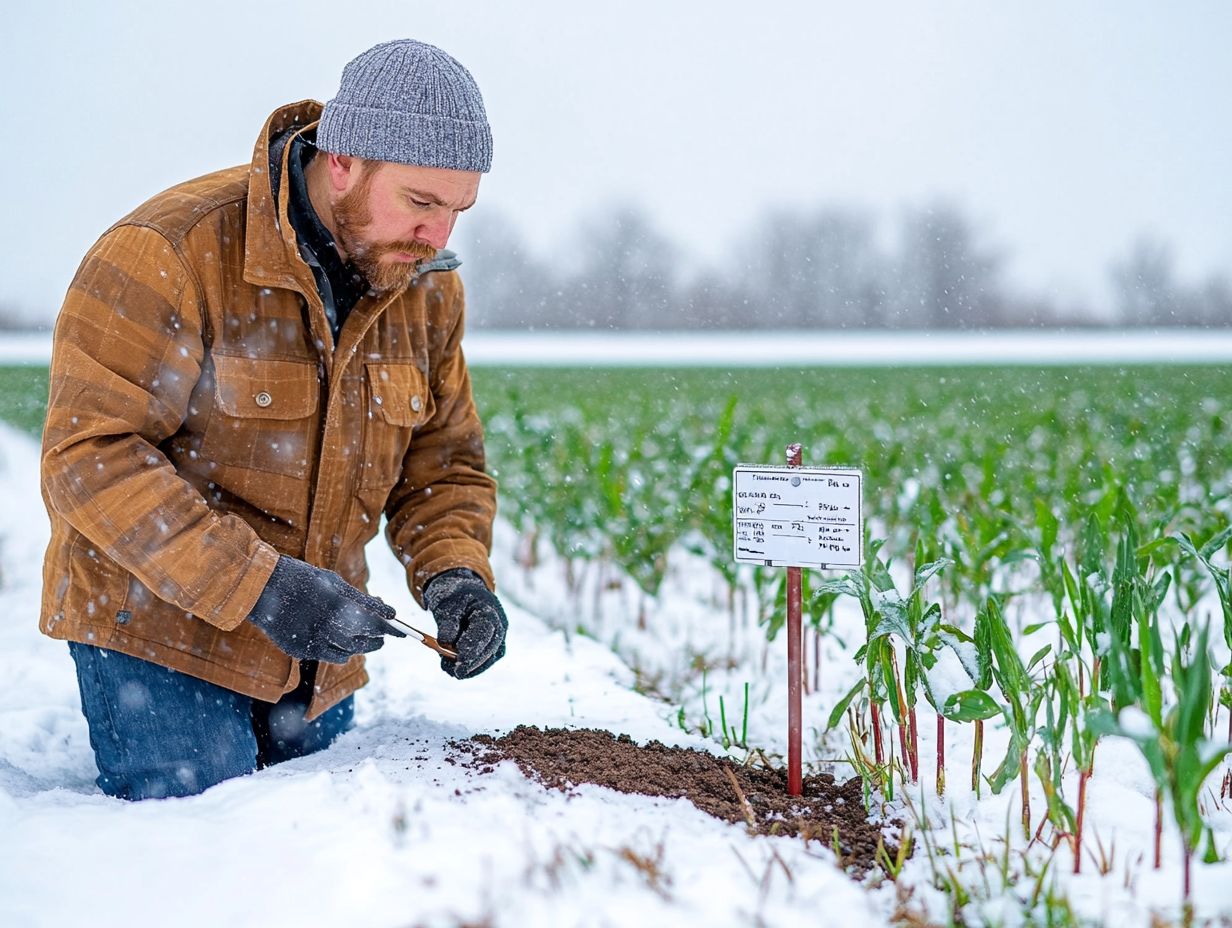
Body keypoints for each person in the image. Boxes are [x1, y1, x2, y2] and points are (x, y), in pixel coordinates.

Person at [39, 39, 508, 801]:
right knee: (201, 859)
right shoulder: (168, 253)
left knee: (319, 858)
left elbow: (442, 466)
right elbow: (90, 460)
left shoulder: (425, 292)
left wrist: (456, 575)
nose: (438, 238)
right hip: (158, 640)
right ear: (345, 161)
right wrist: (262, 587)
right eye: (421, 203)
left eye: (457, 211)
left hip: (318, 656)